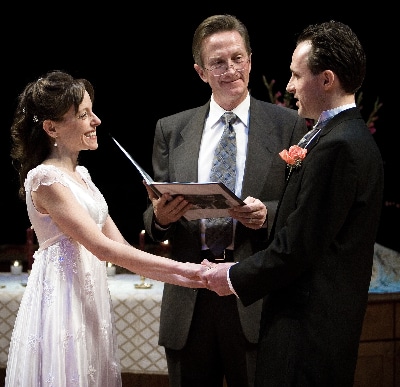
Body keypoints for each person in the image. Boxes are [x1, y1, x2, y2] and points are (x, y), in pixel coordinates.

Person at [200, 20, 385, 387]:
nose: (288, 87)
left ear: (327, 79)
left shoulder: (340, 146)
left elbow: (299, 246)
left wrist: (232, 276)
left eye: (296, 75)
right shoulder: (338, 136)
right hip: (314, 326)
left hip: (307, 332)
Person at [5, 70, 206, 387]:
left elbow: (123, 248)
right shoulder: (45, 179)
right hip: (61, 304)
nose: (96, 120)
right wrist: (192, 273)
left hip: (88, 300)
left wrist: (188, 272)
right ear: (51, 128)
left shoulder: (82, 175)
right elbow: (103, 248)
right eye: (84, 114)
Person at [143, 14, 308, 387]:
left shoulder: (290, 126)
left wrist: (269, 213)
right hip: (190, 298)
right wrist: (161, 218)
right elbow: (153, 216)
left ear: (250, 60)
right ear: (201, 71)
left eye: (237, 58)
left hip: (253, 296)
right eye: (218, 62)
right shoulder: (172, 129)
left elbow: (302, 210)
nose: (230, 69)